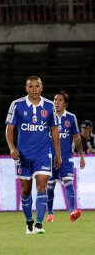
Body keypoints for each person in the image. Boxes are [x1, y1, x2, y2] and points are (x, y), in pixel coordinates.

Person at [5, 75, 61, 234]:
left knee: (42, 185)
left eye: (37, 86)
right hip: (23, 154)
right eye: (31, 86)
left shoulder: (50, 106)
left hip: (43, 153)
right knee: (26, 189)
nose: (34, 89)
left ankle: (38, 224)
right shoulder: (17, 105)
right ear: (26, 88)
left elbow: (54, 130)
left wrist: (58, 153)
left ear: (42, 88)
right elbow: (10, 128)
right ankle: (29, 221)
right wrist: (11, 147)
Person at [46, 91, 85, 223]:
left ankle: (72, 211)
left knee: (69, 183)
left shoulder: (71, 118)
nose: (56, 102)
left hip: (66, 157)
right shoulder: (47, 117)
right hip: (50, 158)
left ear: (65, 103)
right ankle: (50, 213)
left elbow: (77, 138)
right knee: (50, 186)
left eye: (60, 100)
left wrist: (81, 155)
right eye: (55, 99)